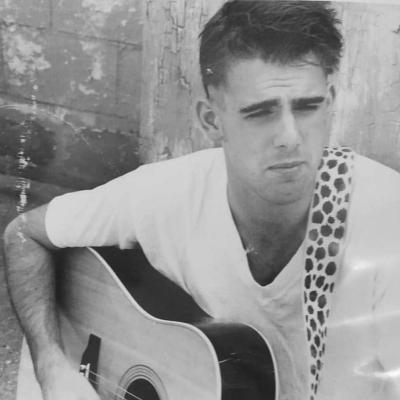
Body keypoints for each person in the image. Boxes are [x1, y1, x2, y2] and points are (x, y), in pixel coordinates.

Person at [4, 1, 400, 400]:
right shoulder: (167, 193)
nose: (289, 137)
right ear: (211, 120)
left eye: (307, 107)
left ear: (330, 102)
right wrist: (51, 366)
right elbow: (24, 235)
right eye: (260, 113)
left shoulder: (386, 225)